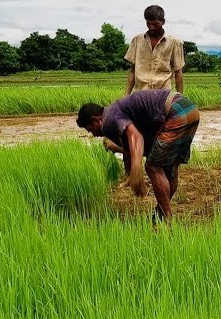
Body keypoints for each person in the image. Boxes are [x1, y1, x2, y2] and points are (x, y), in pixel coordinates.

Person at [77, 89, 200, 221]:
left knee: (153, 166)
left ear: (96, 120)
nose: (93, 134)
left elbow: (136, 137)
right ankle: (161, 212)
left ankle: (166, 218)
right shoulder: (117, 110)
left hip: (175, 113)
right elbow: (140, 146)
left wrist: (137, 169)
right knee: (169, 167)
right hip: (189, 109)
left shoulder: (109, 119)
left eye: (90, 129)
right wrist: (124, 161)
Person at [124, 5, 185, 95]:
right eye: (148, 23)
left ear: (163, 21)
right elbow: (132, 71)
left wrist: (180, 98)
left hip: (163, 95)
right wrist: (126, 96)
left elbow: (178, 73)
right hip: (140, 94)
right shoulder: (137, 40)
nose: (151, 27)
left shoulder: (174, 43)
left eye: (155, 24)